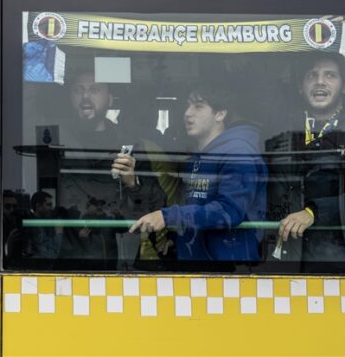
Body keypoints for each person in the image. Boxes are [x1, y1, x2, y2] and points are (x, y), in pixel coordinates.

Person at [130, 82, 267, 262]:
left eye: (199, 106)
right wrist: (175, 240)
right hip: (196, 265)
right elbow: (195, 209)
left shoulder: (238, 153)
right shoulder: (195, 160)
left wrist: (168, 216)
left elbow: (228, 212)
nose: (188, 113)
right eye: (187, 105)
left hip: (230, 271)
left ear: (220, 113)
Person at [56, 71, 166, 264]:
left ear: (110, 98)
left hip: (118, 258)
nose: (85, 97)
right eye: (78, 90)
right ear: (69, 98)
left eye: (94, 90)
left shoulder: (130, 145)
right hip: (63, 260)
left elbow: (157, 205)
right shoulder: (55, 141)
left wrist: (133, 184)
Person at [276, 53, 345, 262]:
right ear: (300, 86)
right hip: (285, 255)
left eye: (330, 75)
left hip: (335, 258)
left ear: (343, 86)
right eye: (311, 75)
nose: (320, 82)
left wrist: (313, 212)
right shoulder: (282, 130)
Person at [21, 191, 63, 259]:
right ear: (38, 206)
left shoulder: (44, 222)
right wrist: (59, 233)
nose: (51, 208)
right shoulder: (34, 226)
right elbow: (50, 255)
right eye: (48, 205)